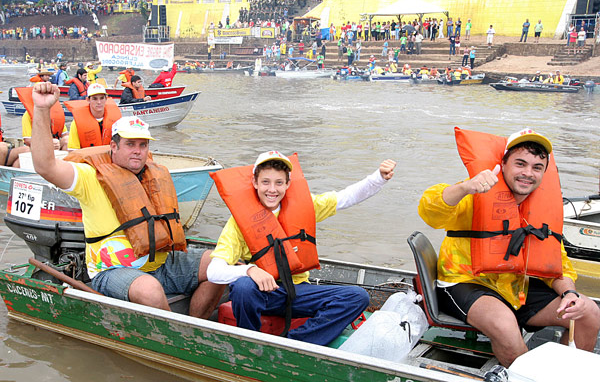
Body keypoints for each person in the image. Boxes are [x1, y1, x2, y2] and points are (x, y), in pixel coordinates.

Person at [29, 82, 226, 318]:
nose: (137, 151)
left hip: (161, 264)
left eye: (143, 145)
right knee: (150, 290)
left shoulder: (154, 175)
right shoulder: (90, 177)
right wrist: (41, 109)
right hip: (112, 270)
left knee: (220, 267)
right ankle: (177, 339)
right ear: (114, 146)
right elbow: (45, 165)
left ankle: (196, 327)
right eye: (130, 144)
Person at [418, 128, 600, 367]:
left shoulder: (542, 210)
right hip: (467, 282)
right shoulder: (474, 192)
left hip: (518, 287)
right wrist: (465, 188)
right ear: (503, 164)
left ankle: (565, 373)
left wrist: (569, 294)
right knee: (505, 325)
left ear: (545, 172)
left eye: (537, 167)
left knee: (588, 313)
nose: (528, 173)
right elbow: (430, 211)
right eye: (520, 164)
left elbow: (558, 264)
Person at [207, 151, 396, 345]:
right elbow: (213, 271)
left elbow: (347, 197)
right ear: (255, 182)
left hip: (298, 293)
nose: (272, 189)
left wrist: (379, 178)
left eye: (279, 183)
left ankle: (295, 344)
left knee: (358, 297)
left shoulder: (307, 205)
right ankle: (250, 344)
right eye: (265, 182)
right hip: (264, 295)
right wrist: (250, 270)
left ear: (288, 184)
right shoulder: (238, 222)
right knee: (243, 286)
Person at [65, 83, 121, 150]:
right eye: (95, 99)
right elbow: (72, 151)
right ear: (88, 100)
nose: (99, 102)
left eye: (102, 98)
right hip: (87, 159)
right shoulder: (76, 123)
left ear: (106, 99)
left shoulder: (118, 121)